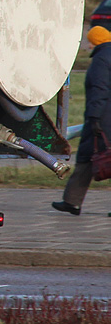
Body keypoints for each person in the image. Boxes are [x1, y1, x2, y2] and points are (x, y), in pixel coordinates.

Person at [52, 25, 111, 216]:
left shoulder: (102, 59)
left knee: (89, 157)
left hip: (103, 118)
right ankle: (71, 201)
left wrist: (94, 117)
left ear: (94, 41)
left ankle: (72, 202)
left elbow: (99, 90)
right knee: (89, 157)